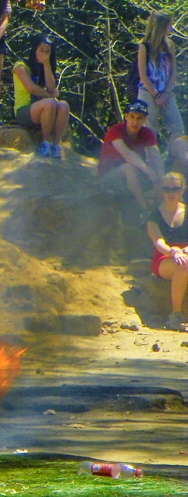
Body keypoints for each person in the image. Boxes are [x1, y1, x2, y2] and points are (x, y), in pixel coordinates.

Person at [98, 99, 163, 210]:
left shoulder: (147, 133)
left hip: (136, 176)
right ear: (126, 116)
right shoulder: (115, 131)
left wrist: (160, 178)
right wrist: (148, 170)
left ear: (144, 119)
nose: (135, 121)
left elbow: (155, 155)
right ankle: (144, 208)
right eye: (132, 116)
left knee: (159, 174)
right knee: (129, 167)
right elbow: (127, 154)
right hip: (108, 178)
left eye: (139, 118)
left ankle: (160, 204)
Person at [12, 37, 70, 158]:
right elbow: (31, 88)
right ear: (34, 49)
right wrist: (49, 96)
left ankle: (56, 145)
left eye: (47, 51)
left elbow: (51, 88)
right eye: (41, 50)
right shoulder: (20, 67)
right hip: (24, 110)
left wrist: (46, 64)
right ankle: (46, 142)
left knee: (63, 105)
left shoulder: (44, 67)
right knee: (50, 102)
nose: (43, 53)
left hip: (45, 109)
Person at [146, 172, 188, 331]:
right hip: (165, 258)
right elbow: (158, 242)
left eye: (176, 188)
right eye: (167, 189)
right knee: (184, 265)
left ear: (183, 190)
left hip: (186, 253)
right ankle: (176, 315)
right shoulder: (154, 215)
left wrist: (184, 251)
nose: (171, 193)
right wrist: (174, 252)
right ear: (161, 191)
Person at [136, 11, 183, 141]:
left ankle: (177, 159)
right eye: (169, 25)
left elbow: (173, 71)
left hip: (167, 92)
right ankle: (152, 160)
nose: (171, 28)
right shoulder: (144, 46)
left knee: (178, 128)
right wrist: (156, 95)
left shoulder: (170, 45)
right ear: (161, 26)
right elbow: (143, 75)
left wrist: (165, 94)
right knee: (150, 132)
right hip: (147, 92)